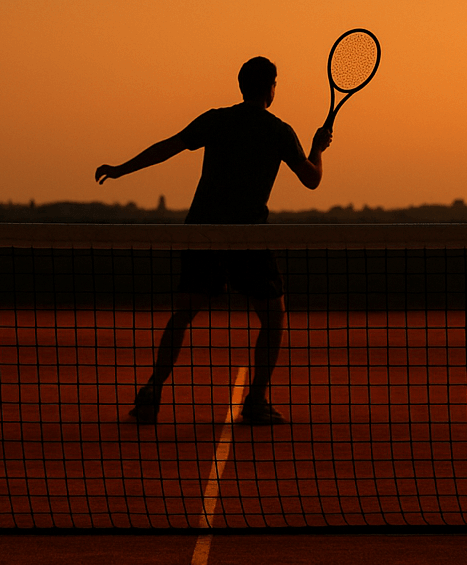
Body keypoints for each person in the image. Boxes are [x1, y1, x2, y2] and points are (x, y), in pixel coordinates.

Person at [94, 56, 331, 425]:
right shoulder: (279, 130)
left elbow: (167, 147)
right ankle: (255, 401)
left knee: (184, 313)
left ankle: (152, 391)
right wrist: (318, 148)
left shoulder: (217, 119)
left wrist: (121, 169)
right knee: (273, 317)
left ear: (241, 86)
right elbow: (312, 179)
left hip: (202, 230)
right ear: (270, 88)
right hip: (247, 237)